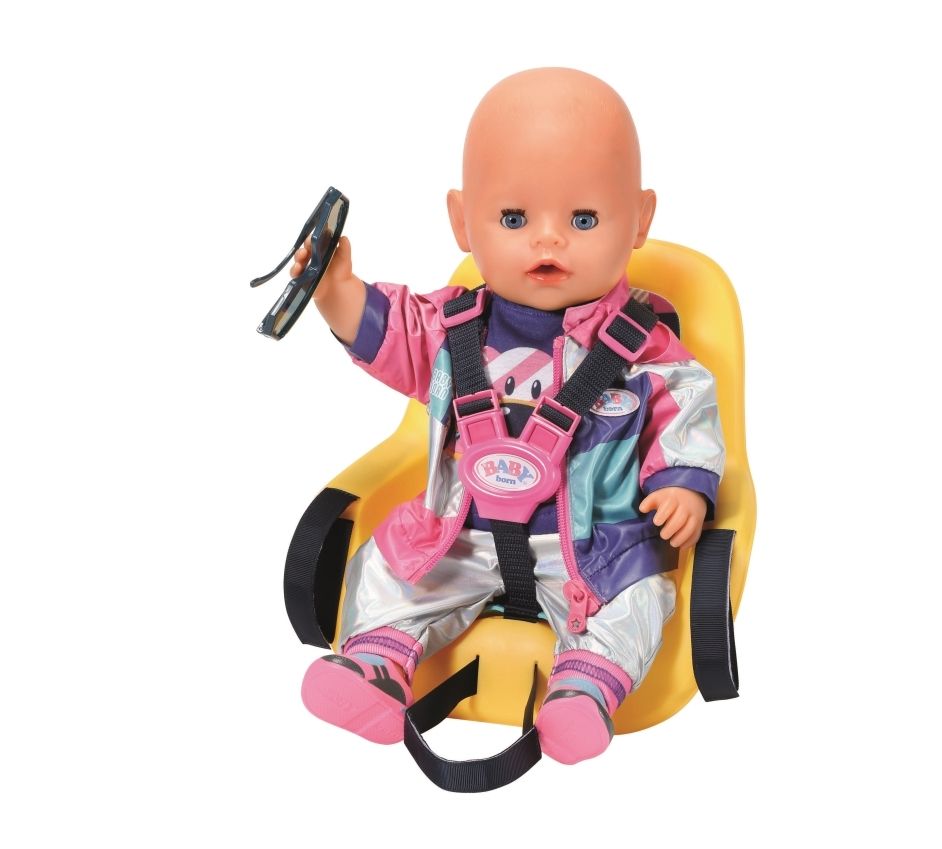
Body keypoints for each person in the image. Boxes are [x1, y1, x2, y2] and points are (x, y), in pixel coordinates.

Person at [291, 68, 725, 764]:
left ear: (639, 220)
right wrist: (335, 289)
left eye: (583, 219)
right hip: (457, 536)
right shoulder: (449, 327)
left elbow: (686, 409)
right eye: (515, 219)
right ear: (463, 222)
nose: (548, 241)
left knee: (640, 594)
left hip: (590, 551)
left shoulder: (645, 349)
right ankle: (376, 661)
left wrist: (683, 485)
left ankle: (585, 686)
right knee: (388, 567)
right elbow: (393, 331)